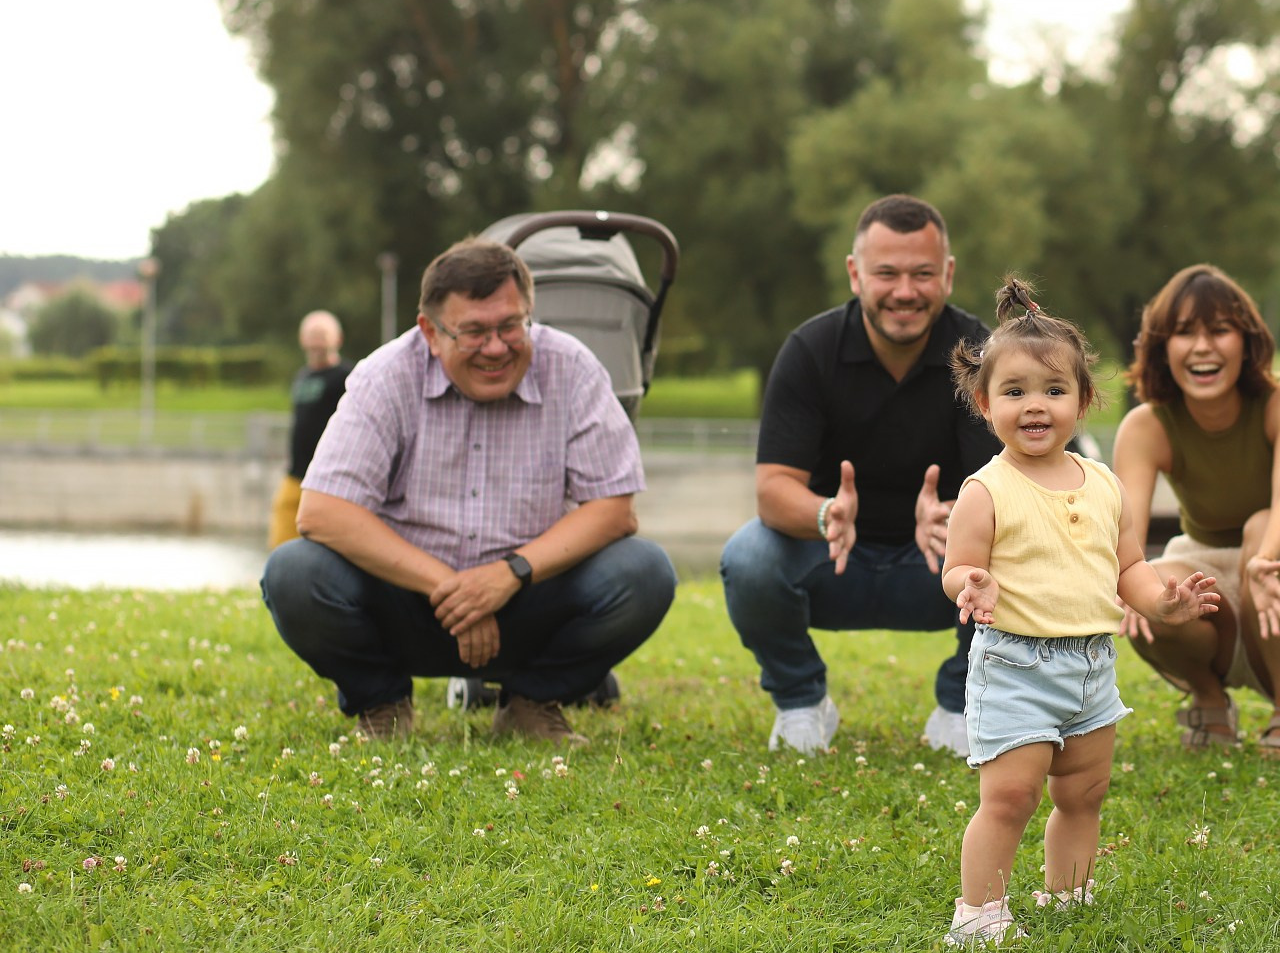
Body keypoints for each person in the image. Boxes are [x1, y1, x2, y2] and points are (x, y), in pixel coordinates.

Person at [260, 239, 675, 744]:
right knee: (293, 572)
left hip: (528, 599)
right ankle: (382, 703)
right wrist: (449, 586)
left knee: (645, 572)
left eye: (510, 326)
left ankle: (531, 701)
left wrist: (509, 575)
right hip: (406, 601)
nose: (496, 346)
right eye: (474, 331)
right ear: (430, 333)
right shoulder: (384, 375)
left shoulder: (575, 367)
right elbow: (321, 512)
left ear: (530, 314)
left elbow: (614, 511)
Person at [939, 279, 1218, 945]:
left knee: (1083, 793)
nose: (1035, 406)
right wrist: (969, 583)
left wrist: (1166, 605)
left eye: (1053, 390)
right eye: (1014, 392)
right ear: (984, 403)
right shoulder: (986, 490)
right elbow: (957, 568)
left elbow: (1129, 572)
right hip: (1016, 663)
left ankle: (1068, 894)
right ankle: (979, 917)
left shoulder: (1105, 486)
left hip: (1092, 664)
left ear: (1083, 401)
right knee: (1009, 797)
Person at [720, 195, 996, 755]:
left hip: (943, 562)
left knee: (1022, 550)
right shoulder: (810, 350)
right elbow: (773, 491)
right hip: (832, 556)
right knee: (748, 556)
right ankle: (802, 703)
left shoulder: (985, 355)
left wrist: (960, 515)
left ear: (947, 275)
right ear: (855, 274)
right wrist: (826, 512)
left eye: (922, 274)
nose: (904, 291)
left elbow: (1018, 489)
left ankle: (963, 702)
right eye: (886, 273)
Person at [1112, 264, 1280, 757]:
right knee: (1151, 584)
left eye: (1219, 330)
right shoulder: (1145, 426)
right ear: (1162, 347)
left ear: (1248, 341)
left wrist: (1263, 562)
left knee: (1266, 527)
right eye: (1183, 333)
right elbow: (1123, 531)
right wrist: (1121, 583)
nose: (1202, 347)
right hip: (1208, 573)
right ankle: (1209, 703)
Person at [267, 311, 350, 549]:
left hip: (327, 480)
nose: (316, 342)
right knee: (280, 541)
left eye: (322, 335)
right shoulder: (302, 376)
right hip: (295, 475)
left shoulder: (347, 377)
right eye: (312, 335)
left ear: (338, 339)